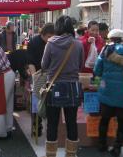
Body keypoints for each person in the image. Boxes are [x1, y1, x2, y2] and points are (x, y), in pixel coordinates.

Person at [94, 29, 123, 157]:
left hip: (107, 92)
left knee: (104, 119)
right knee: (122, 122)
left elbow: (97, 70)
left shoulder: (106, 51)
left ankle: (102, 145)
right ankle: (117, 148)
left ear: (112, 39)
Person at [41, 15, 84, 157]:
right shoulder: (77, 44)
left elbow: (44, 65)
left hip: (54, 87)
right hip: (73, 88)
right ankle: (71, 154)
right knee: (71, 122)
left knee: (52, 123)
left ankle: (51, 154)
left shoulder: (51, 43)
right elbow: (80, 65)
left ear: (57, 28)